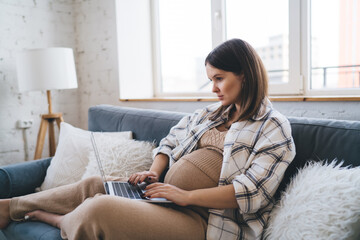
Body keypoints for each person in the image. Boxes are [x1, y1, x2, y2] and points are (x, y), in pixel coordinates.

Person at [0, 38, 295, 240]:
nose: (214, 88)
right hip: (164, 200)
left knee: (99, 207)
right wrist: (154, 172)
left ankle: (58, 220)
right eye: (211, 79)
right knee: (93, 185)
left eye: (220, 78)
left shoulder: (273, 128)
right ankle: (11, 207)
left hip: (203, 221)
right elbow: (168, 142)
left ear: (245, 75)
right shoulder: (210, 114)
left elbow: (250, 193)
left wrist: (185, 196)